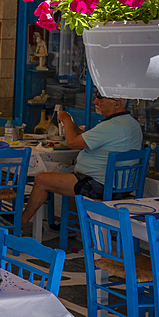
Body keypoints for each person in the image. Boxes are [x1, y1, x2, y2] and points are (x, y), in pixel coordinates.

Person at [20, 95, 144, 232]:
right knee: (73, 176)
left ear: (117, 104)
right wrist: (72, 126)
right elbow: (87, 137)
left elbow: (72, 143)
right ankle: (72, 226)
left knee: (41, 179)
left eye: (101, 100)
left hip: (100, 186)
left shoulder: (112, 126)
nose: (95, 102)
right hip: (121, 186)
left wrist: (66, 120)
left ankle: (22, 221)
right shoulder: (131, 123)